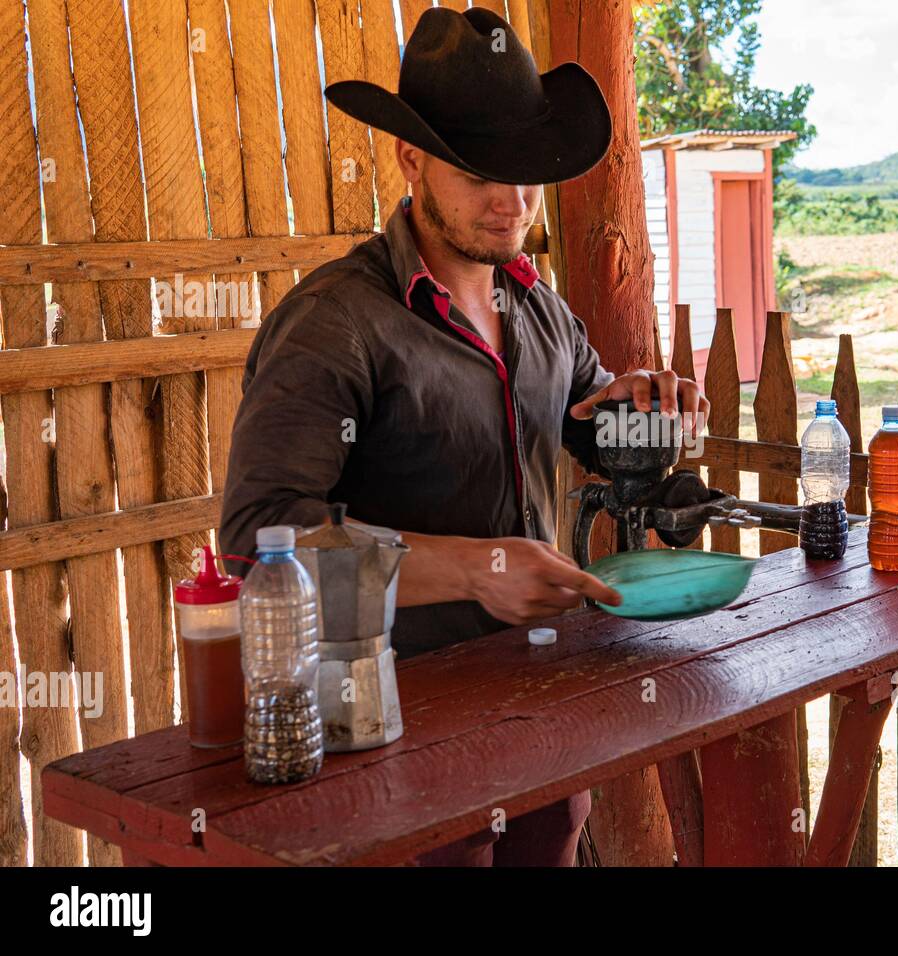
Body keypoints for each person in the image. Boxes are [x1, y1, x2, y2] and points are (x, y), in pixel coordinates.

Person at [218, 7, 709, 866]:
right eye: (482, 171)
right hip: (387, 732)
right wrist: (476, 572)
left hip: (540, 707)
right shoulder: (335, 324)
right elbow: (259, 538)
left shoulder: (537, 307)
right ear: (411, 159)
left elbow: (585, 422)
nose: (512, 202)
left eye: (525, 173)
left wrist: (642, 413)